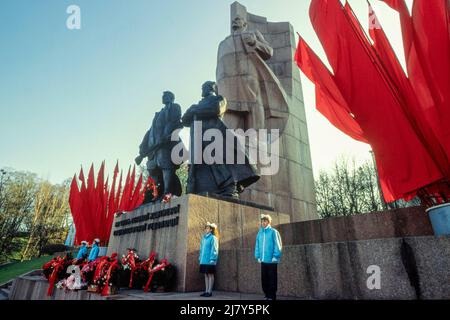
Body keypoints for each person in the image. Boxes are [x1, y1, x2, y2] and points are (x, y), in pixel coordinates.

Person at [136, 91, 183, 203]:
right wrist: (143, 148)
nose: (163, 97)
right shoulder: (158, 113)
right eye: (163, 96)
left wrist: (167, 136)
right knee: (153, 170)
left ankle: (167, 192)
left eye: (165, 96)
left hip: (165, 145)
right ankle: (160, 192)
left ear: (171, 97)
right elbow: (151, 130)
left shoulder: (175, 107)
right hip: (154, 148)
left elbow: (176, 122)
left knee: (166, 167)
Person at [254, 214, 282, 300]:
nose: (263, 223)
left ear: (269, 222)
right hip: (263, 260)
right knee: (264, 279)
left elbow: (278, 245)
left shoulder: (273, 232)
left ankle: (272, 296)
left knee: (272, 279)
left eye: (265, 221)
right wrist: (257, 256)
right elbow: (257, 245)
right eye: (262, 221)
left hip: (271, 261)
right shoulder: (260, 233)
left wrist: (275, 256)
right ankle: (266, 295)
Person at [199, 222, 219, 297]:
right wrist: (200, 258)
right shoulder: (204, 238)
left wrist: (213, 258)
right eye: (205, 228)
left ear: (211, 229)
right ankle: (206, 291)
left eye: (207, 228)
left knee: (210, 275)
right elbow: (201, 249)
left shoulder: (213, 238)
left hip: (210, 260)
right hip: (203, 260)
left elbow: (215, 249)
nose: (206, 229)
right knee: (206, 275)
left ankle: (209, 291)